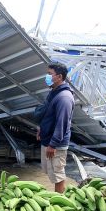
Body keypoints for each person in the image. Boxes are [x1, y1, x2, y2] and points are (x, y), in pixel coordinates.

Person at [36, 63, 74, 193]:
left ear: (59, 77)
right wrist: (41, 128)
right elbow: (48, 113)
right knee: (50, 171)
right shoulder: (53, 92)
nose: (47, 76)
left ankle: (59, 200)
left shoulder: (64, 98)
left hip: (56, 144)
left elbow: (61, 124)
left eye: (49, 74)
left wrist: (53, 145)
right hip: (48, 139)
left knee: (57, 174)